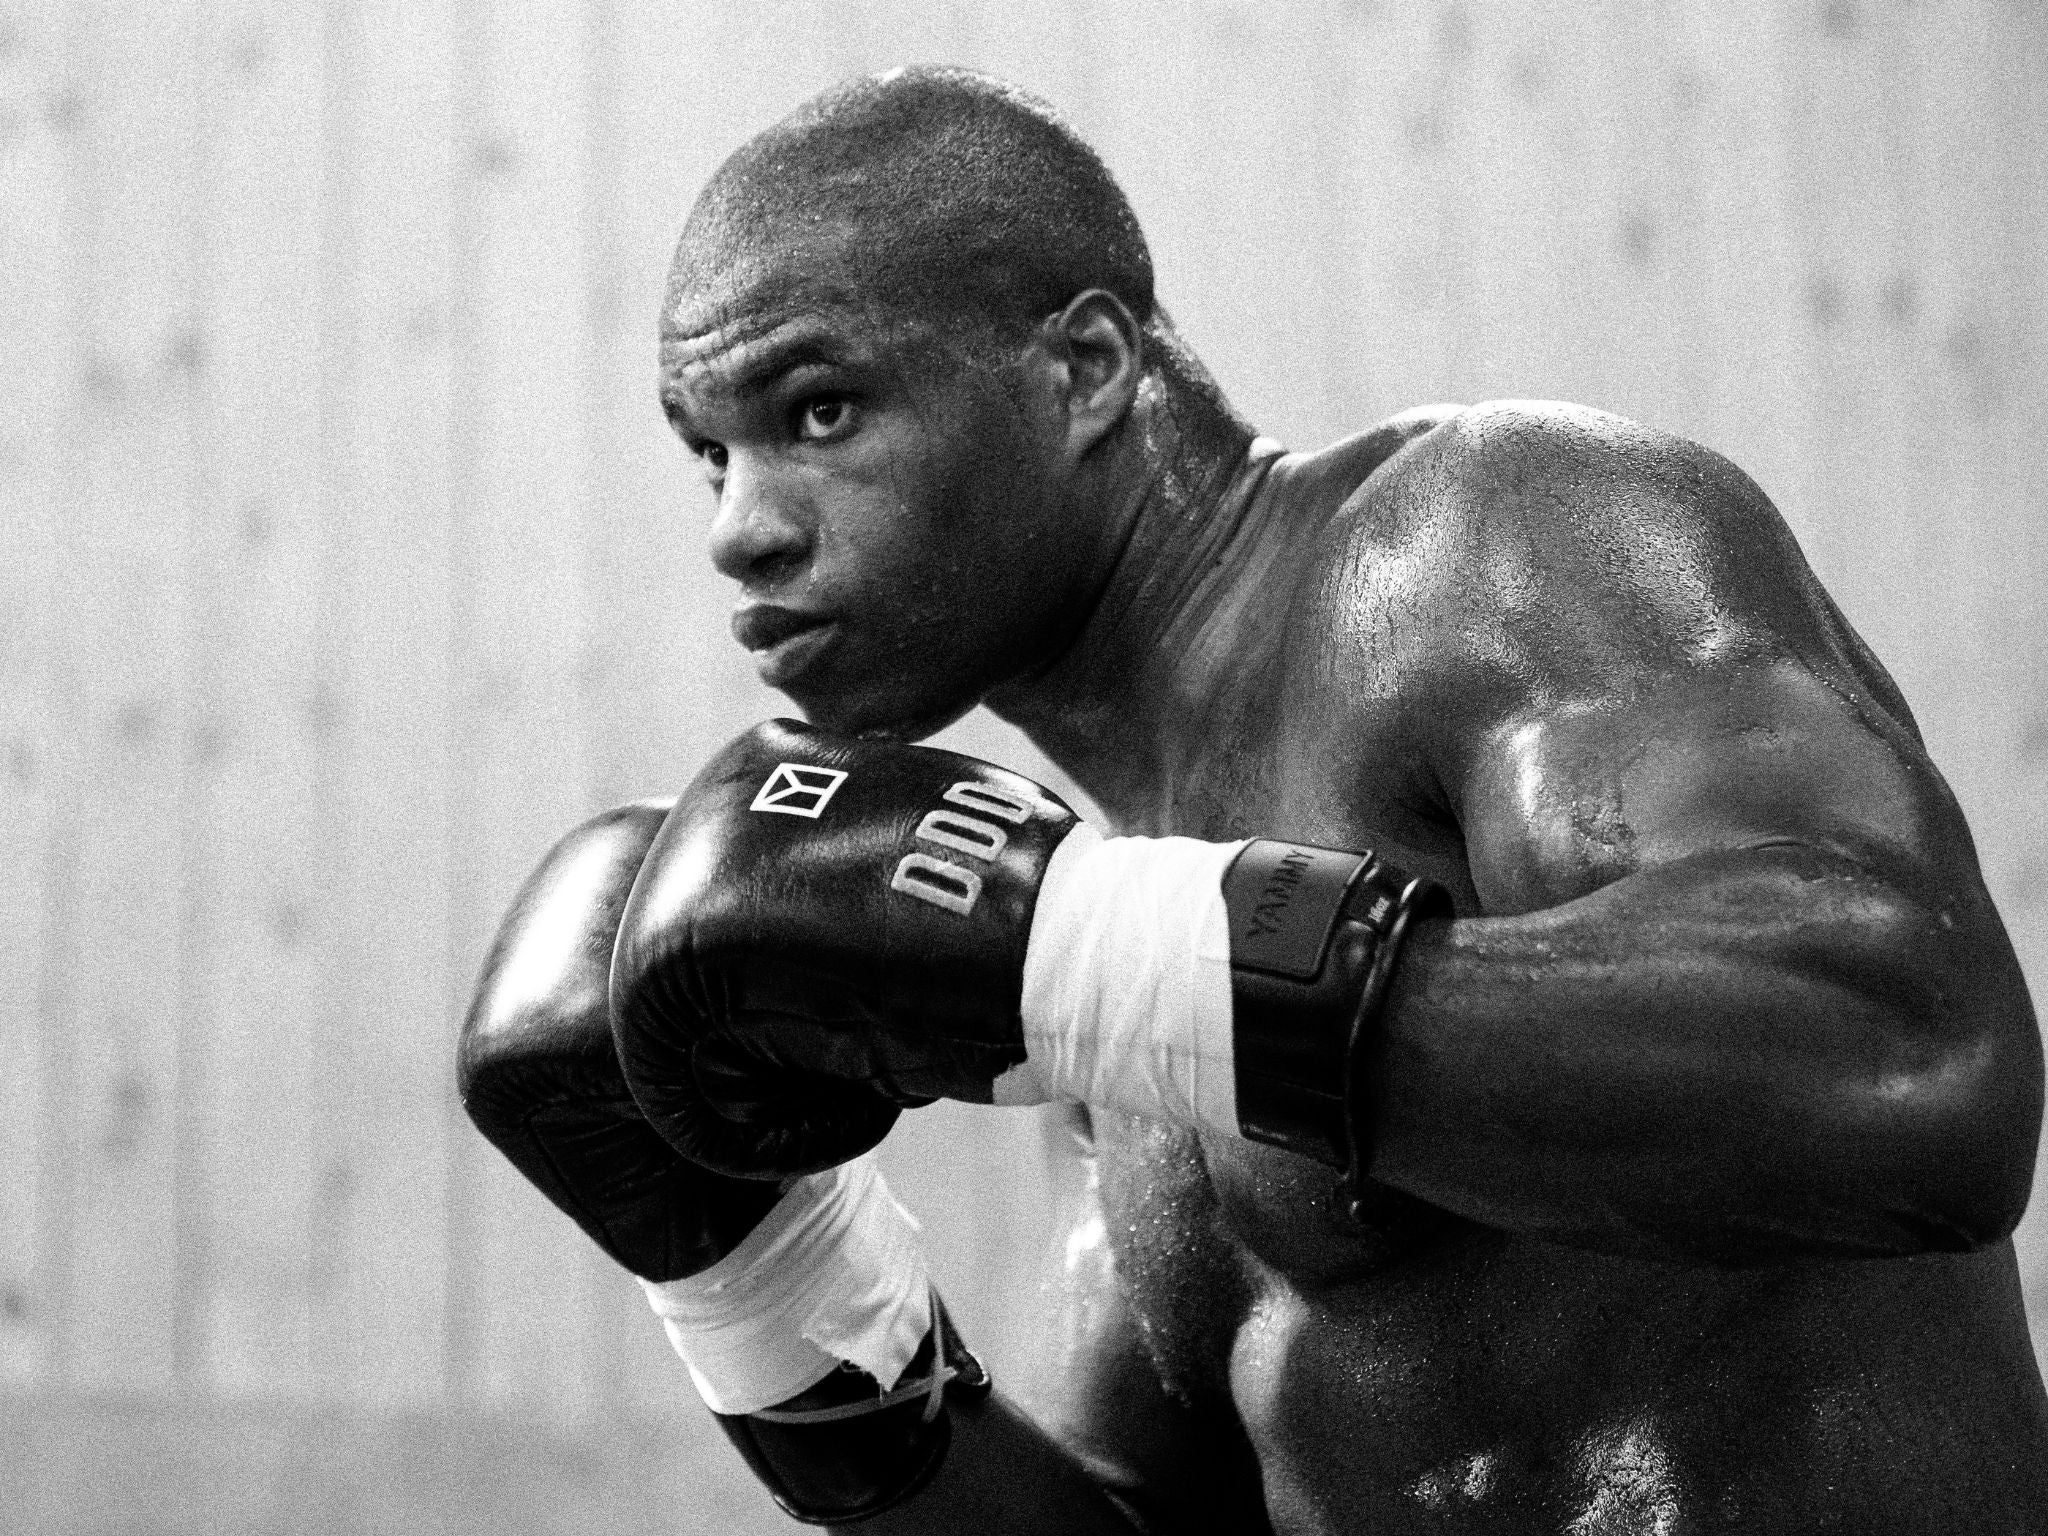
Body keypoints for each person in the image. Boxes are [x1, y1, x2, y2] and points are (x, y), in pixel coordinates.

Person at [463, 66, 2048, 1533]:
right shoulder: (1109, 958)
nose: (742, 528)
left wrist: (1078, 954)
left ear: (1087, 369)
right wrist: (758, 1281)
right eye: (709, 457)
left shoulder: (1480, 550)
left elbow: (1914, 1054)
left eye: (818, 413)